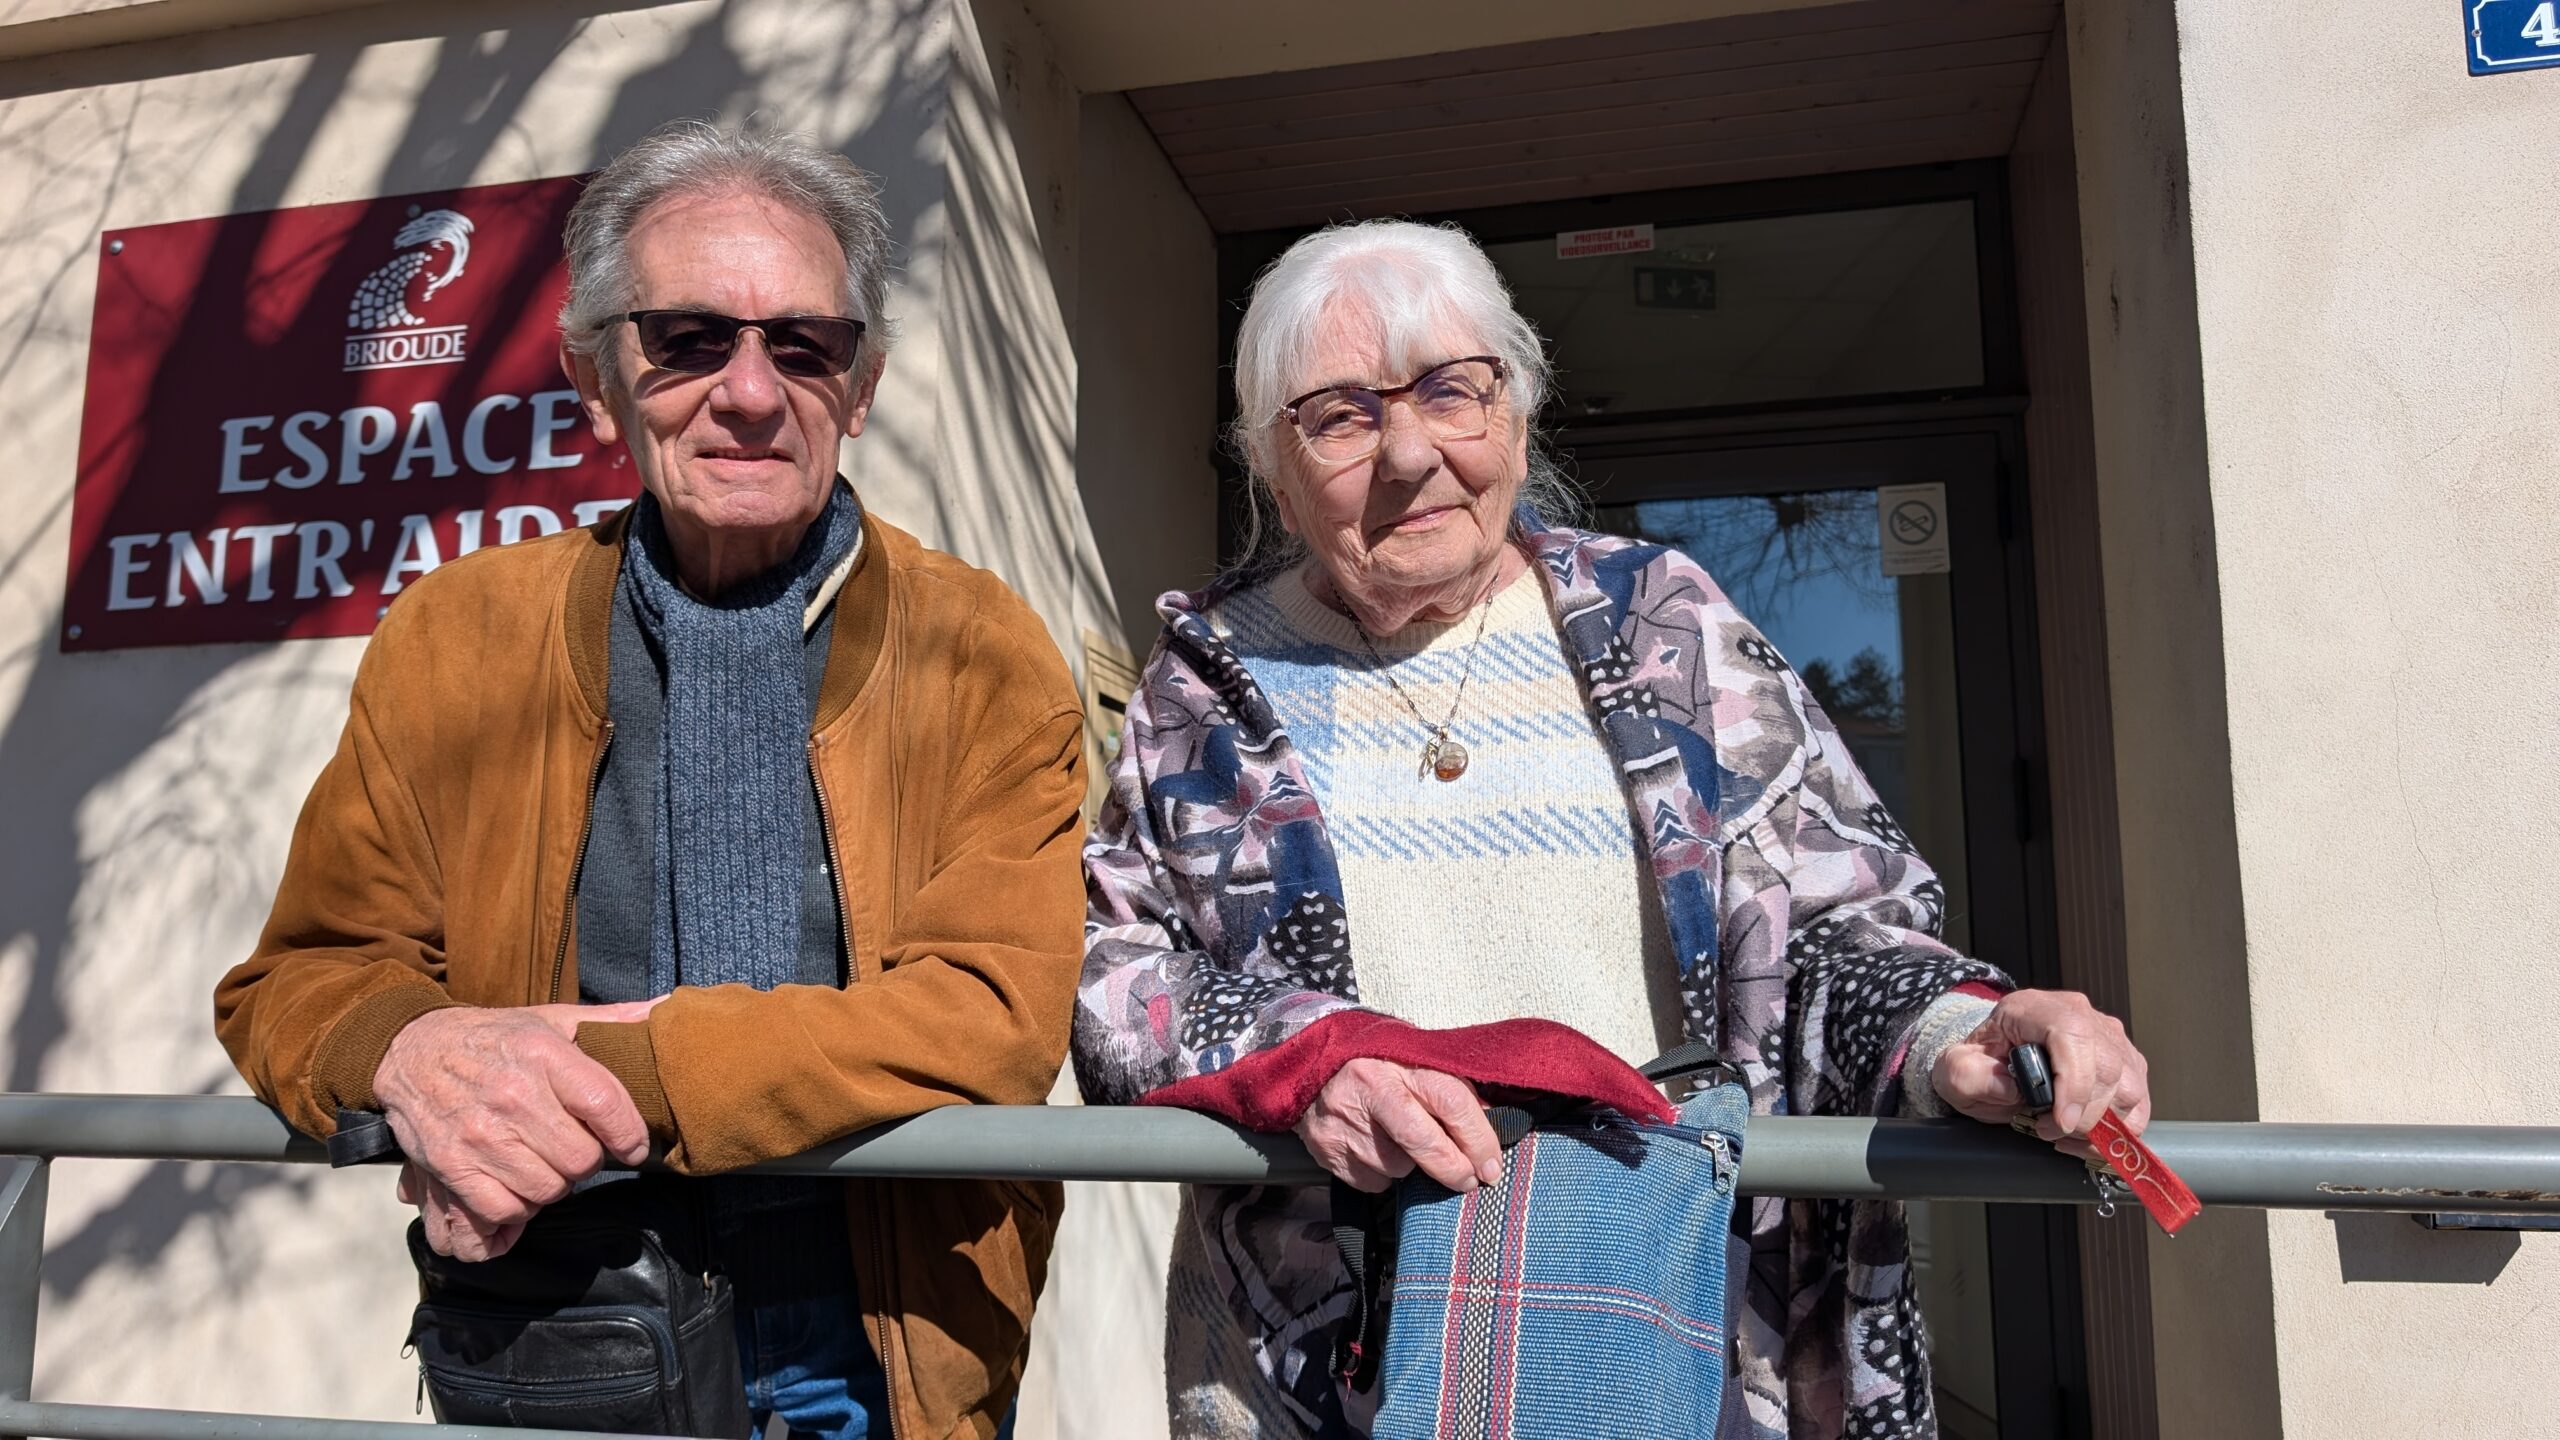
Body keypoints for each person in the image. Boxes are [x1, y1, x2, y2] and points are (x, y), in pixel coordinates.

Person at [1073, 219, 2153, 1440]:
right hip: (1326, 1364)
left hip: (1675, 1325)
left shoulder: (1664, 625)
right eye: (1341, 415)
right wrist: (1306, 1056)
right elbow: (1120, 979)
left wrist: (1965, 1028)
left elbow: (1835, 931)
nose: (1411, 453)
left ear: (1519, 417)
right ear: (1271, 469)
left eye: (1452, 393)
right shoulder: (1205, 686)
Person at [215, 121, 1087, 1440]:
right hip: (553, 1315)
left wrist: (629, 1065)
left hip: (875, 1338)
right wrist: (411, 1050)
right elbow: (305, 978)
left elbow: (991, 1018)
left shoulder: (980, 648)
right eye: (688, 340)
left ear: (862, 386)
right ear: (594, 374)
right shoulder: (460, 633)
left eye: (807, 345)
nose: (750, 391)